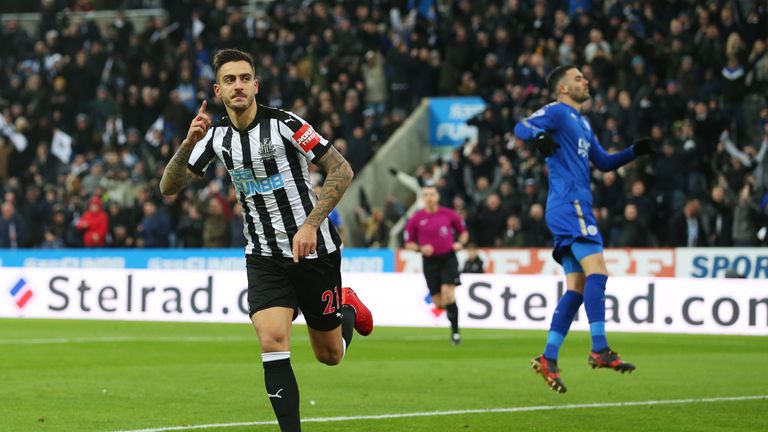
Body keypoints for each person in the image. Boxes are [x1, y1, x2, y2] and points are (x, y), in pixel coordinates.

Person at [159, 48, 373, 432]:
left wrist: (310, 225)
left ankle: (348, 309)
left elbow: (341, 169)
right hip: (262, 255)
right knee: (273, 341)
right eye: (229, 80)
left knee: (330, 355)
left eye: (244, 78)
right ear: (218, 90)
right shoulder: (216, 136)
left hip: (315, 250)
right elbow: (168, 186)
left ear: (255, 85)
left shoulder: (286, 125)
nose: (238, 86)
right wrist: (189, 143)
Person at [514, 65, 652, 393]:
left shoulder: (584, 123)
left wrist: (634, 152)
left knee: (576, 289)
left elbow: (602, 162)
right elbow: (522, 126)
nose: (585, 81)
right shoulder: (559, 112)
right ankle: (599, 348)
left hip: (573, 206)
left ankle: (548, 356)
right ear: (562, 88)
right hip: (569, 205)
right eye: (578, 78)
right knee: (599, 273)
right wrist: (540, 135)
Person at [404, 184, 469, 345]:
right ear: (423, 198)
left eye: (432, 194)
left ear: (437, 197)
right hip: (429, 262)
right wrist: (420, 248)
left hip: (448, 258)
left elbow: (464, 233)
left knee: (448, 293)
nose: (429, 197)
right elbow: (408, 243)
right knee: (439, 303)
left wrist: (460, 243)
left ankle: (455, 333)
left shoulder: (449, 214)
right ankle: (452, 313)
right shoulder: (416, 218)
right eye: (426, 195)